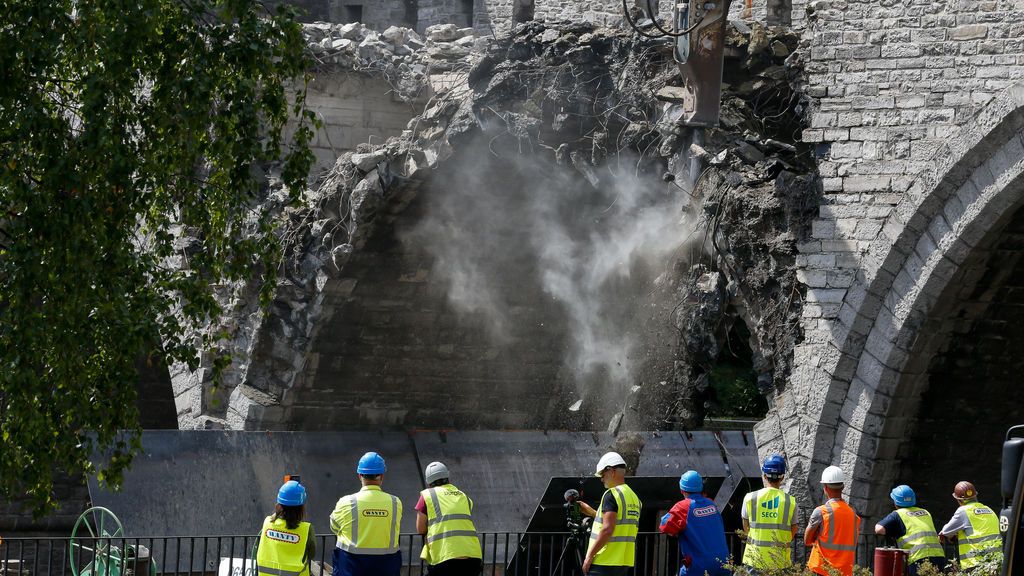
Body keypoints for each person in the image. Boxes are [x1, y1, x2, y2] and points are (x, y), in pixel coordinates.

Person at [329, 452, 402, 576]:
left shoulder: (346, 502)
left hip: (351, 567)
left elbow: (334, 527)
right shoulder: (396, 502)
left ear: (359, 475)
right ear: (382, 476)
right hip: (386, 567)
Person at [579, 452, 642, 576]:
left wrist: (589, 556)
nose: (601, 479)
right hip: (623, 563)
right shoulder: (634, 498)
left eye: (603, 474)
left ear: (611, 471)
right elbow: (619, 522)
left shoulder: (611, 494)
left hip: (604, 561)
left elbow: (608, 529)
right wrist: (593, 513)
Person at [416, 461, 482, 576]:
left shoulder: (428, 496)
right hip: (473, 556)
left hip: (445, 556)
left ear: (428, 481)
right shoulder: (463, 496)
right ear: (447, 476)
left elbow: (420, 529)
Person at [659, 470, 730, 576]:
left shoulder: (683, 507)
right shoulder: (711, 503)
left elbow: (664, 526)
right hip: (724, 563)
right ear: (701, 488)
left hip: (699, 566)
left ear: (682, 490)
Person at [740, 454, 799, 573]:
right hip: (779, 560)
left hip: (754, 558)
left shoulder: (750, 498)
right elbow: (794, 529)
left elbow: (745, 526)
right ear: (782, 477)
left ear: (765, 475)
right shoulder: (790, 501)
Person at [874, 484, 947, 574]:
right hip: (938, 556)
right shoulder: (925, 512)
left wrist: (893, 531)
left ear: (895, 502)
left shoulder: (897, 514)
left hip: (918, 558)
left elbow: (879, 529)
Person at [805, 465, 861, 576]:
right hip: (844, 571)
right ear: (843, 487)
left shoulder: (821, 512)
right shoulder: (854, 516)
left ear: (825, 487)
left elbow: (807, 540)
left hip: (822, 570)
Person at [939, 481, 1003, 571]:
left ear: (959, 499)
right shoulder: (988, 509)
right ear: (975, 496)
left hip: (976, 563)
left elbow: (946, 531)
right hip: (997, 562)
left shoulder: (963, 511)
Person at [256, 479, 316, 576]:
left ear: (279, 504)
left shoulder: (268, 522)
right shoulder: (306, 529)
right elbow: (311, 554)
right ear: (301, 507)